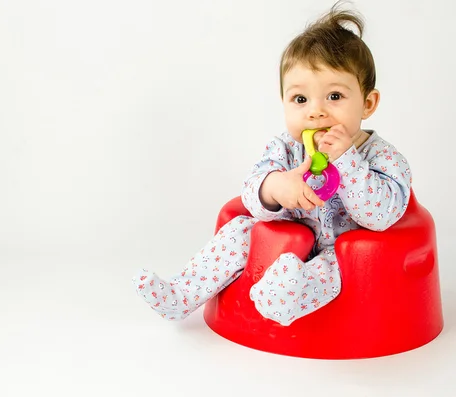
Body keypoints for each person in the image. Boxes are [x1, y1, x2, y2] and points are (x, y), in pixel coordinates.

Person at [132, 2, 412, 326]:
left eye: (334, 96)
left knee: (336, 268)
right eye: (300, 99)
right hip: (283, 240)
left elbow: (380, 217)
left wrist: (347, 161)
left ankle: (284, 301)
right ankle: (182, 295)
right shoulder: (284, 148)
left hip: (341, 251)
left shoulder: (384, 159)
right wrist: (274, 187)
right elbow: (250, 194)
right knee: (238, 230)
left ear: (367, 103)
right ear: (284, 103)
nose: (316, 111)